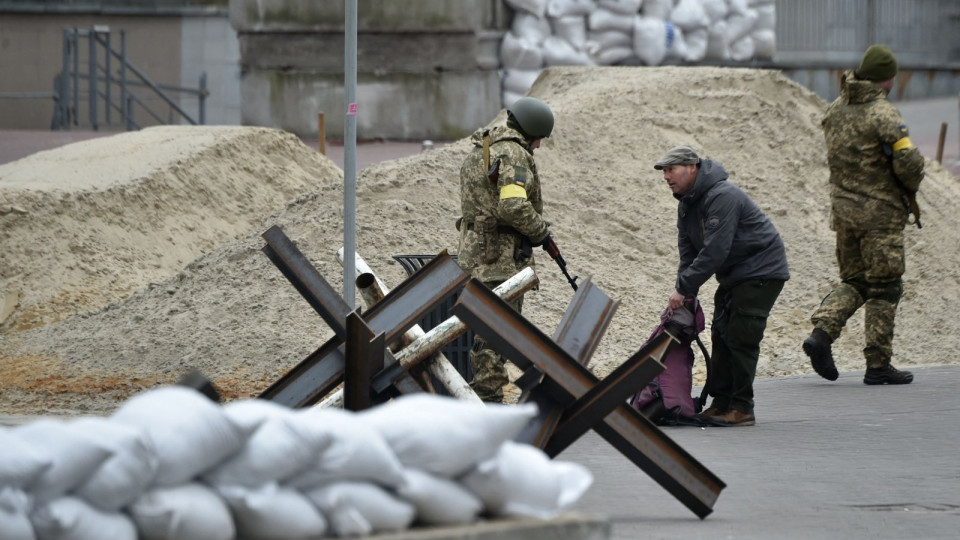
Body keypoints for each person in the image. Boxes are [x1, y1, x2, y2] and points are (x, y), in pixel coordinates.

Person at [802, 45, 925, 386]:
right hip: (880, 217)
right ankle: (878, 365)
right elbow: (909, 166)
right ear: (889, 79)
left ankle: (822, 334)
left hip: (843, 213)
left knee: (855, 281)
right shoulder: (884, 115)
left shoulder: (836, 108)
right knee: (885, 287)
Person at [654, 145, 790, 427]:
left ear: (692, 167)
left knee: (742, 336)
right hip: (734, 274)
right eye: (664, 171)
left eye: (671, 170)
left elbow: (715, 251)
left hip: (761, 270)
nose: (666, 176)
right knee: (721, 333)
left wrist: (683, 288)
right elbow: (688, 254)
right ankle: (721, 403)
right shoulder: (687, 204)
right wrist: (685, 290)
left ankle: (741, 407)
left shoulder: (722, 196)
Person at [456, 96, 557, 403]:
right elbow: (513, 205)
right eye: (538, 139)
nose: (538, 146)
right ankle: (488, 396)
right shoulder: (514, 154)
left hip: (476, 252)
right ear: (532, 130)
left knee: (486, 322)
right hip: (499, 257)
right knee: (497, 326)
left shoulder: (484, 148)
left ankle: (486, 392)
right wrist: (541, 232)